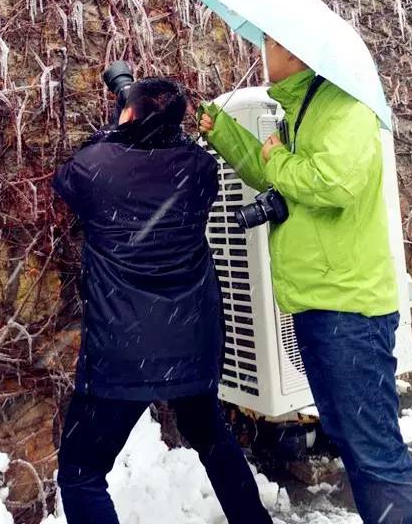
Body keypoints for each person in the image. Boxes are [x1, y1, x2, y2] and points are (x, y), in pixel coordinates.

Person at [199, 36, 412, 524]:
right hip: (317, 306)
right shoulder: (300, 110)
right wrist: (222, 131)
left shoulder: (346, 105)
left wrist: (279, 158)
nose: (261, 51)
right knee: (353, 442)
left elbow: (334, 182)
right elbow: (275, 172)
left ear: (297, 52)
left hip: (349, 310)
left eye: (269, 43)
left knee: (374, 452)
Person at [53, 77, 273, 524]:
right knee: (210, 437)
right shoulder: (197, 167)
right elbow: (172, 174)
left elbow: (67, 181)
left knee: (81, 471)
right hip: (192, 343)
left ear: (128, 113)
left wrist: (115, 132)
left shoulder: (95, 165)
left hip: (122, 351)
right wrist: (152, 133)